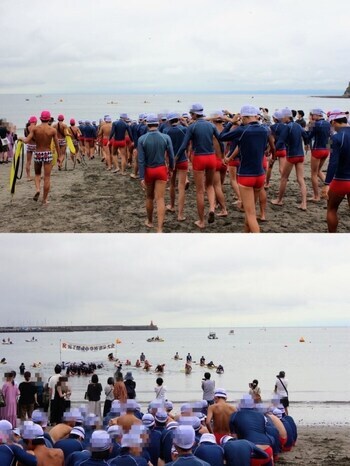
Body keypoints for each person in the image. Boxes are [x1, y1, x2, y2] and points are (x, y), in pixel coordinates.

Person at [220, 105, 275, 232]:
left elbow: (222, 137)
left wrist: (231, 123)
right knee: (250, 211)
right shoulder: (265, 129)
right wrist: (273, 156)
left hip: (246, 176)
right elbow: (272, 146)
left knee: (250, 214)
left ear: (244, 117)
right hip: (260, 175)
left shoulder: (242, 130)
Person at [176, 103, 221, 229]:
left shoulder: (192, 127)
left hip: (199, 158)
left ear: (195, 114)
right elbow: (220, 140)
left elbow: (184, 145)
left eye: (191, 114)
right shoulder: (211, 125)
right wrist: (221, 156)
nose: (190, 115)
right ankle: (212, 208)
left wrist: (176, 157)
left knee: (200, 192)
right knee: (210, 186)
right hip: (211, 157)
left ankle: (201, 221)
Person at [138, 113, 175, 233]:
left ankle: (149, 221)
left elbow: (141, 160)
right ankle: (159, 228)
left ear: (147, 124)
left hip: (149, 170)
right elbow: (171, 155)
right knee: (160, 199)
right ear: (158, 124)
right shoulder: (165, 137)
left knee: (149, 197)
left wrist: (142, 176)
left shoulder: (142, 139)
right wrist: (171, 168)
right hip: (161, 169)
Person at [271, 107, 309, 211]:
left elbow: (280, 142)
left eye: (283, 117)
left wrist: (273, 153)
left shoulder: (287, 127)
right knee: (300, 179)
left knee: (284, 178)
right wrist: (306, 144)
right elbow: (306, 135)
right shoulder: (298, 125)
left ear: (287, 117)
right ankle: (304, 203)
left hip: (291, 156)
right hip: (301, 155)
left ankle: (279, 200)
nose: (281, 119)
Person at [20, 110, 60, 204]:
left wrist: (20, 138)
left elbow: (26, 140)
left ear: (40, 118)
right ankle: (44, 199)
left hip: (38, 153)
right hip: (47, 154)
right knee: (47, 177)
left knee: (37, 174)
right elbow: (57, 144)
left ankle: (38, 189)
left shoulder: (35, 129)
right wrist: (59, 156)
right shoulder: (53, 130)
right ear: (49, 119)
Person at [323, 110, 350, 232]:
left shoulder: (334, 137)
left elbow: (332, 162)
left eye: (331, 124)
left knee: (332, 209)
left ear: (334, 122)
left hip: (341, 180)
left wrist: (327, 183)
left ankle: (332, 238)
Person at [164, 112, 188, 221]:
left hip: (171, 160)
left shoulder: (166, 131)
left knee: (172, 184)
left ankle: (172, 206)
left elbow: (166, 148)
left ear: (169, 121)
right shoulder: (183, 129)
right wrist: (185, 122)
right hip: (182, 159)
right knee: (181, 187)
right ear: (177, 119)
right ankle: (180, 214)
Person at [307, 109, 331, 202]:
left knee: (313, 174)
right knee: (318, 171)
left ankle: (316, 196)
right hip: (326, 150)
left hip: (317, 150)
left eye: (312, 115)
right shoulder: (328, 123)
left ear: (316, 115)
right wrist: (330, 150)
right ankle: (329, 187)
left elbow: (308, 136)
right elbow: (330, 137)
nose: (312, 117)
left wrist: (309, 125)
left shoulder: (315, 124)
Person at [24, 116, 37, 180]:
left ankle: (28, 176)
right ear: (35, 121)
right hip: (36, 146)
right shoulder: (36, 128)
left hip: (29, 145)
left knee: (28, 162)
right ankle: (37, 175)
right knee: (37, 161)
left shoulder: (26, 128)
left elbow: (27, 137)